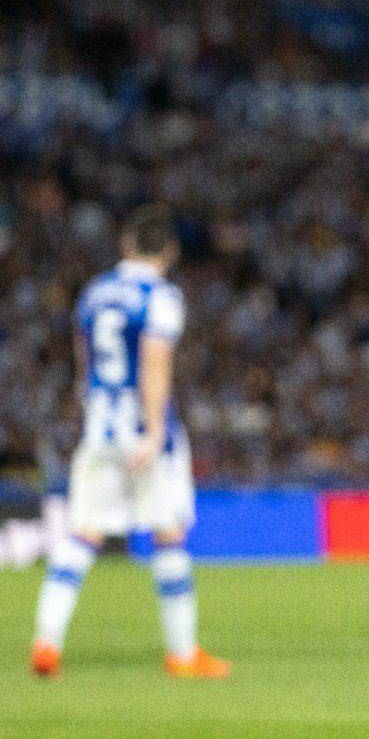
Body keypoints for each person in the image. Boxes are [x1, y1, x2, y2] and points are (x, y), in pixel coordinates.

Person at [30, 206, 229, 679]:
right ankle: (182, 654)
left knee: (83, 533)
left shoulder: (94, 293)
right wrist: (155, 429)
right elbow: (155, 358)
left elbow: (84, 362)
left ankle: (47, 641)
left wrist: (92, 412)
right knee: (168, 533)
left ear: (125, 244)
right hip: (145, 429)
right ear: (170, 250)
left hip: (100, 425)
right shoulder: (161, 295)